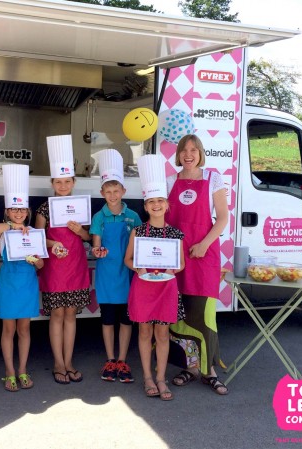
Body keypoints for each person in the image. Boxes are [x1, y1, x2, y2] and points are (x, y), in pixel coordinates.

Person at [165, 134, 229, 396]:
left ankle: (210, 370)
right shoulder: (170, 181)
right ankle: (190, 367)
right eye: (184, 150)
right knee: (180, 316)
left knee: (205, 315)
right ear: (178, 155)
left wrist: (203, 244)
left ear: (201, 153)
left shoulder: (213, 178)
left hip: (205, 256)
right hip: (177, 257)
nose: (188, 154)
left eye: (193, 150)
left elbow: (223, 218)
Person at [124, 154, 185, 401]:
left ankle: (161, 378)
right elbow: (128, 260)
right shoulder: (138, 232)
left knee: (162, 334)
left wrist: (171, 270)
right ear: (146, 206)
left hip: (166, 288)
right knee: (144, 333)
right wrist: (137, 268)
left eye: (161, 200)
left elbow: (180, 264)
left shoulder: (175, 233)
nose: (156, 205)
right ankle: (148, 377)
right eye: (152, 202)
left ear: (167, 204)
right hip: (143, 287)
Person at [35, 135, 90, 385]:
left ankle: (69, 361)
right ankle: (58, 362)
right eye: (59, 181)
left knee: (71, 315)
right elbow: (38, 238)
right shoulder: (44, 209)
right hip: (55, 268)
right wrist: (53, 243)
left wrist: (81, 232)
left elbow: (89, 237)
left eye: (67, 181)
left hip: (76, 266)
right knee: (57, 314)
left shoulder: (81, 206)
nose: (63, 185)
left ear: (73, 182)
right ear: (53, 182)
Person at [89, 149, 141, 383]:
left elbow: (141, 243)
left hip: (128, 276)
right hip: (107, 276)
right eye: (108, 192)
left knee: (126, 320)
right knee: (108, 319)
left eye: (116, 191)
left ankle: (122, 360)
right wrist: (97, 251)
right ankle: (110, 358)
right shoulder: (99, 217)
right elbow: (95, 244)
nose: (112, 195)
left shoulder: (133, 216)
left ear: (123, 191)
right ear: (102, 192)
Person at [0, 164, 43, 392]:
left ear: (28, 212)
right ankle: (9, 371)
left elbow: (41, 263)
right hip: (8, 285)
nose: (19, 213)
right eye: (14, 209)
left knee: (24, 330)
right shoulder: (4, 232)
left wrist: (34, 260)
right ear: (8, 213)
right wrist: (12, 226)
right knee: (8, 330)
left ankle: (22, 369)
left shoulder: (34, 234)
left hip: (28, 285)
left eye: (22, 210)